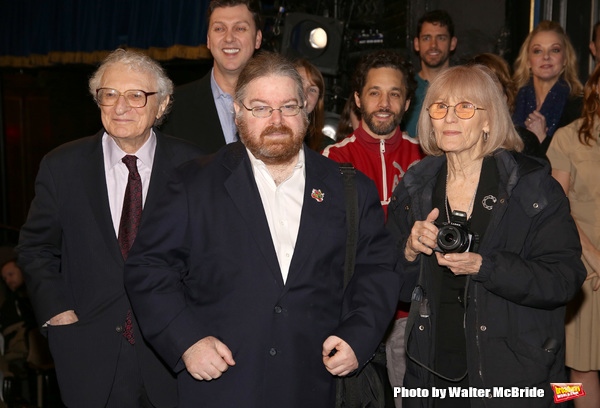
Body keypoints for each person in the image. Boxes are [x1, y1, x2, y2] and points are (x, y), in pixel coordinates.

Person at [123, 51, 400, 408]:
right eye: (260, 108)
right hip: (222, 386)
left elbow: (377, 269)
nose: (276, 120)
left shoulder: (349, 188)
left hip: (318, 385)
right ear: (237, 112)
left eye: (288, 106)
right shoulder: (191, 184)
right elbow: (148, 269)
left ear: (306, 111)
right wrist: (187, 341)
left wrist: (358, 336)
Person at [387, 65, 586, 408]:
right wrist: (407, 252)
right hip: (432, 371)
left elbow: (564, 280)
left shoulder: (532, 188)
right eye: (440, 107)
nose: (449, 117)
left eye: (465, 107)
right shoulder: (413, 188)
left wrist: (486, 267)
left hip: (512, 376)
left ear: (489, 120)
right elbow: (396, 287)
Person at [17, 48, 204, 408]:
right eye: (110, 94)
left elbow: (214, 257)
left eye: (136, 95)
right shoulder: (62, 166)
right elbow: (35, 249)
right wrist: (57, 314)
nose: (121, 107)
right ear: (97, 100)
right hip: (88, 353)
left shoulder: (194, 166)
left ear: (161, 105)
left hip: (173, 356)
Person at [323, 49, 423, 408]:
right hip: (353, 313)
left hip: (410, 317)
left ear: (407, 102)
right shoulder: (332, 160)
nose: (384, 102)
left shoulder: (427, 159)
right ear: (357, 98)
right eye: (374, 92)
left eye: (394, 93)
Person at [547, 64, 600, 408]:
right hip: (586, 269)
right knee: (581, 368)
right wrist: (595, 258)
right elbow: (558, 208)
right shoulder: (568, 137)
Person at [160, 0, 262, 152]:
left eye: (240, 28)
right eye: (219, 28)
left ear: (257, 39)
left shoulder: (279, 107)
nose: (229, 38)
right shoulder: (172, 107)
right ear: (208, 40)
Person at [512, 20, 583, 153]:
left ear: (565, 59)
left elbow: (580, 162)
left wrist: (542, 139)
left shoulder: (580, 108)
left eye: (555, 50)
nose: (546, 57)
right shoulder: (511, 103)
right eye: (538, 51)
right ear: (528, 60)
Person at [467, 53, 545, 159]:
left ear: (505, 96)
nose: (486, 89)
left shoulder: (524, 140)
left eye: (493, 81)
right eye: (480, 83)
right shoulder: (457, 136)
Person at [402, 9, 457, 139]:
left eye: (441, 38)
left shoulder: (465, 87)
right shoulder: (404, 89)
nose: (433, 45)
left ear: (452, 43)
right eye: (426, 38)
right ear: (416, 43)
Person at [294, 58, 333, 151]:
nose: (304, 94)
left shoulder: (328, 148)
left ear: (317, 102)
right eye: (300, 84)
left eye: (312, 90)